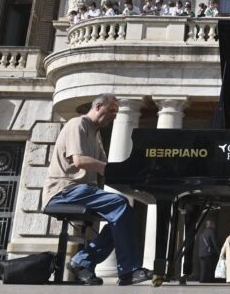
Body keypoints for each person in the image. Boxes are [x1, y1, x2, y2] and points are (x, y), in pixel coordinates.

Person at [42, 93, 150, 286]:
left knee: (125, 213)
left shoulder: (95, 132)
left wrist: (135, 176)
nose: (113, 117)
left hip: (81, 191)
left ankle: (82, 262)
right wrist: (110, 169)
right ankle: (129, 270)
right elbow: (80, 161)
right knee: (120, 204)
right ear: (98, 106)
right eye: (111, 111)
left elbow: (105, 166)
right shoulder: (78, 124)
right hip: (64, 190)